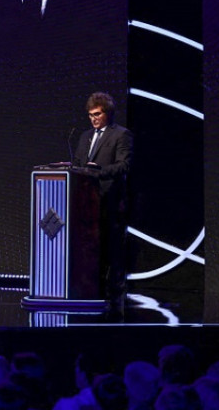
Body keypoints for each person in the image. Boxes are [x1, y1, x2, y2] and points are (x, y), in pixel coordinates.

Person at [71, 92, 133, 303]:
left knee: (112, 250)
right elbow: (78, 164)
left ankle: (116, 300)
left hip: (110, 202)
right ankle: (90, 292)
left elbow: (123, 166)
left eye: (97, 114)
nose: (93, 119)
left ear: (108, 113)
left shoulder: (121, 135)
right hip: (87, 204)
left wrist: (99, 171)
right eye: (90, 115)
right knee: (90, 250)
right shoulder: (84, 136)